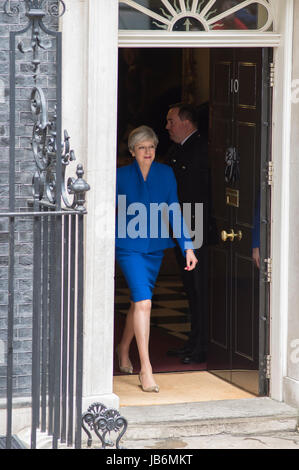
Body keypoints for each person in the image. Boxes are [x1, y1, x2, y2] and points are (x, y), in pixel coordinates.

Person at [116, 125, 198, 393]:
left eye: (151, 146)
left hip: (155, 250)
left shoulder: (166, 173)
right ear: (132, 151)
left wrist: (187, 246)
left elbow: (174, 209)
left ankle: (123, 349)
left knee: (138, 302)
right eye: (142, 147)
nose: (148, 151)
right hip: (128, 247)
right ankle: (146, 368)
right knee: (145, 302)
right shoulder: (120, 176)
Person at [165, 103, 210, 364]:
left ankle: (201, 345)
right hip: (182, 228)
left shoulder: (201, 149)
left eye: (171, 121)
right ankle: (193, 340)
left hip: (196, 229)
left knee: (199, 289)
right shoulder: (177, 150)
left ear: (186, 122)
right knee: (190, 290)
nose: (167, 126)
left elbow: (197, 194)